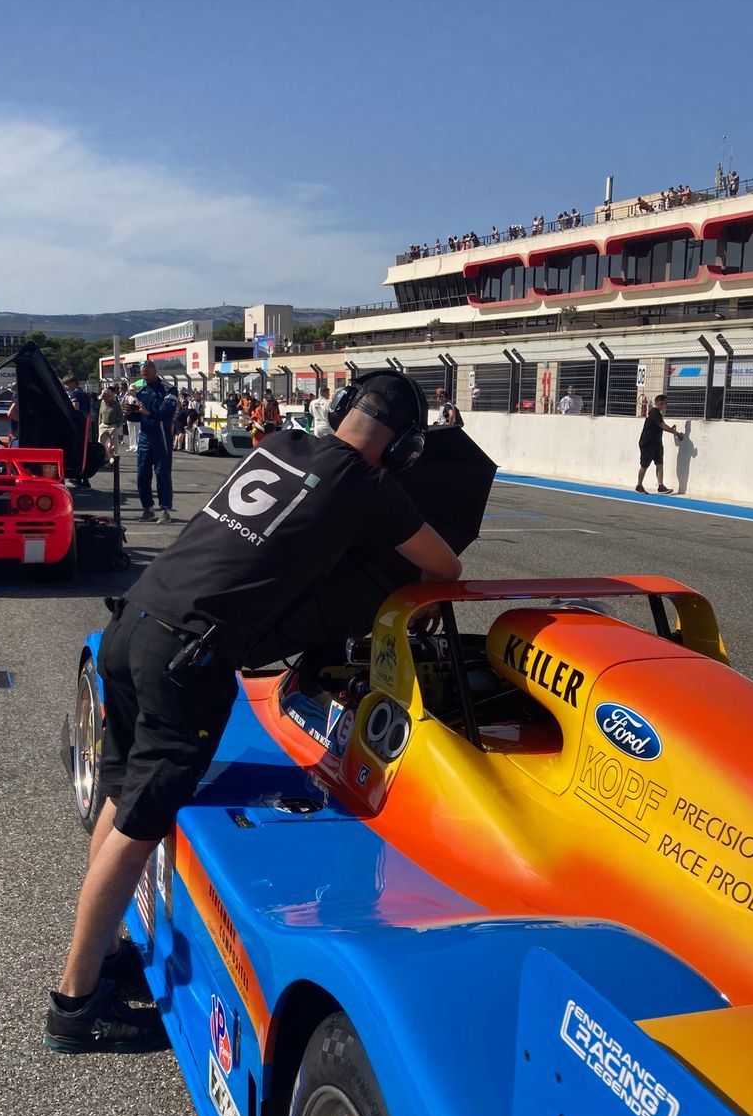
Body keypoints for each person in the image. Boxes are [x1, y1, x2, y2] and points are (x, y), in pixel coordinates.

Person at [44, 370, 462, 1052]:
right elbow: (441, 565)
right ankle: (75, 1004)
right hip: (187, 656)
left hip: (135, 621)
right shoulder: (367, 485)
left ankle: (107, 950)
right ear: (405, 447)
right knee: (140, 825)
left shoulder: (284, 445)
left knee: (122, 798)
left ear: (339, 408)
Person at [131, 360, 175, 523]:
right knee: (142, 473)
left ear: (155, 370)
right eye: (143, 374)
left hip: (161, 435)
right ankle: (147, 508)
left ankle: (165, 510)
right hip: (144, 435)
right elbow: (137, 413)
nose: (145, 377)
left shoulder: (168, 389)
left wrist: (149, 412)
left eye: (147, 374)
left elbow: (168, 413)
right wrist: (130, 412)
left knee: (162, 472)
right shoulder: (140, 389)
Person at [635, 394, 684, 495]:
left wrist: (672, 430)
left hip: (656, 443)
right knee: (644, 465)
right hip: (647, 443)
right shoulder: (654, 412)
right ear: (659, 403)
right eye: (666, 403)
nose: (666, 405)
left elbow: (661, 426)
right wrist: (676, 433)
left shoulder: (658, 414)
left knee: (659, 464)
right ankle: (639, 485)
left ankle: (661, 486)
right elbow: (662, 426)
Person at [99, 387, 124, 459]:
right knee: (101, 443)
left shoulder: (116, 404)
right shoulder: (102, 403)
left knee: (113, 444)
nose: (103, 398)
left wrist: (117, 425)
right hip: (103, 425)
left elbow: (121, 416)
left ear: (109, 396)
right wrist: (100, 424)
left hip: (112, 426)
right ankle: (103, 457)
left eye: (104, 396)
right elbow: (100, 414)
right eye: (102, 397)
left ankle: (112, 457)